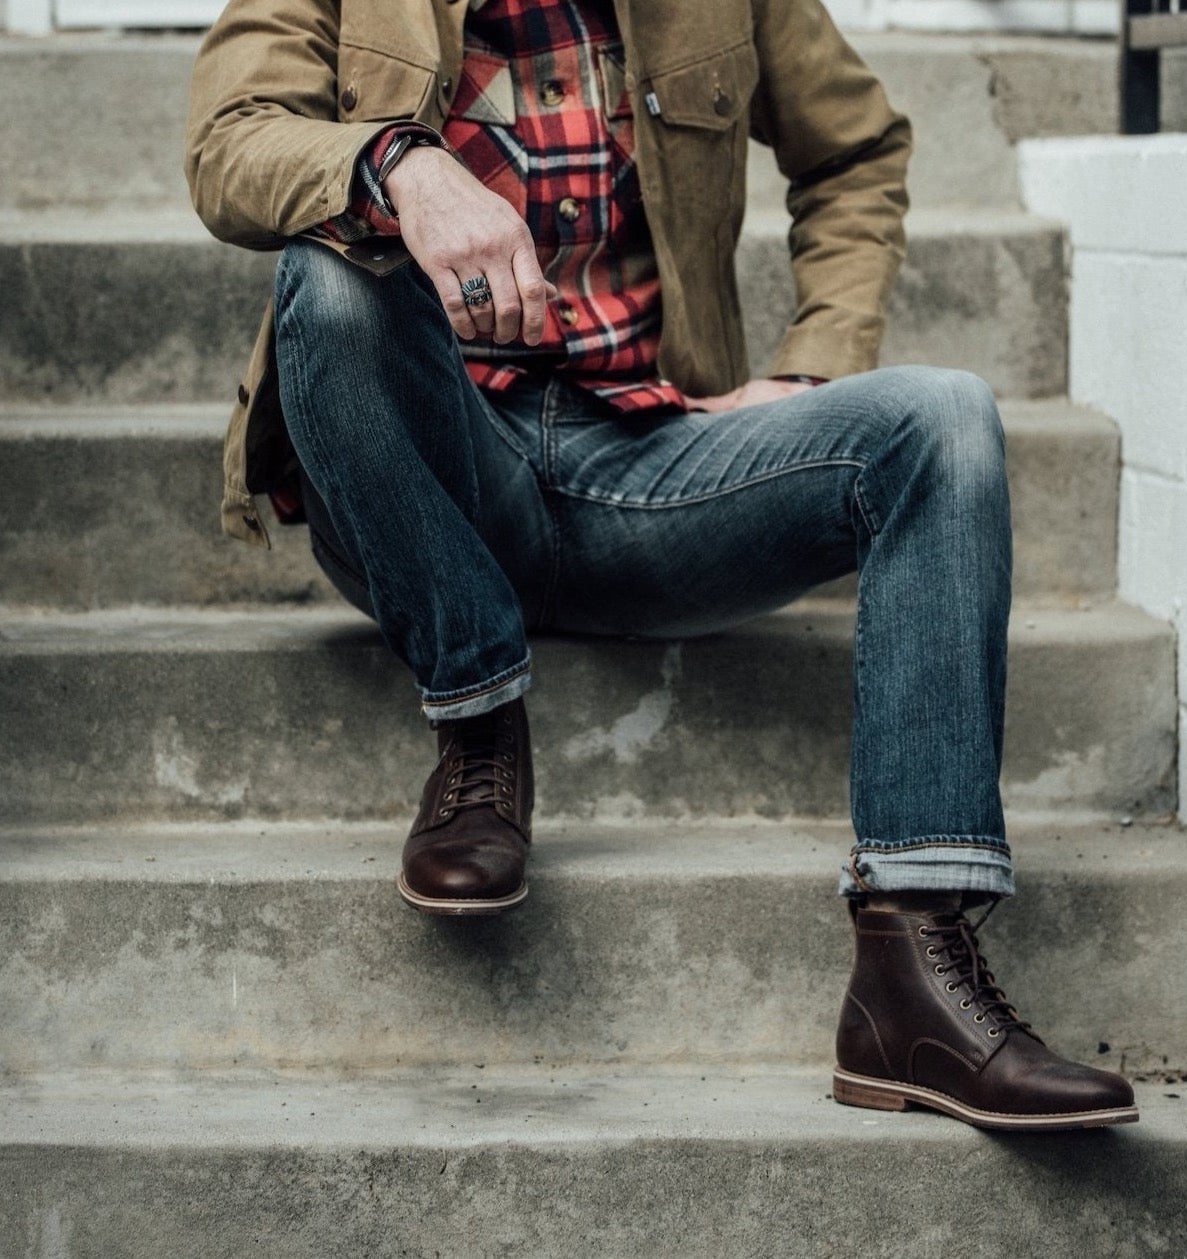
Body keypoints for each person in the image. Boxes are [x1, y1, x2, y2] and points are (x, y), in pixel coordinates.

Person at [186, 0, 1138, 1131]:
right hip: (428, 472)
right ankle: (479, 724)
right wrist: (401, 165)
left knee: (941, 419)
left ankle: (911, 971)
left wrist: (812, 362)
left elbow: (858, 147)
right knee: (328, 281)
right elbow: (228, 141)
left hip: (641, 466)